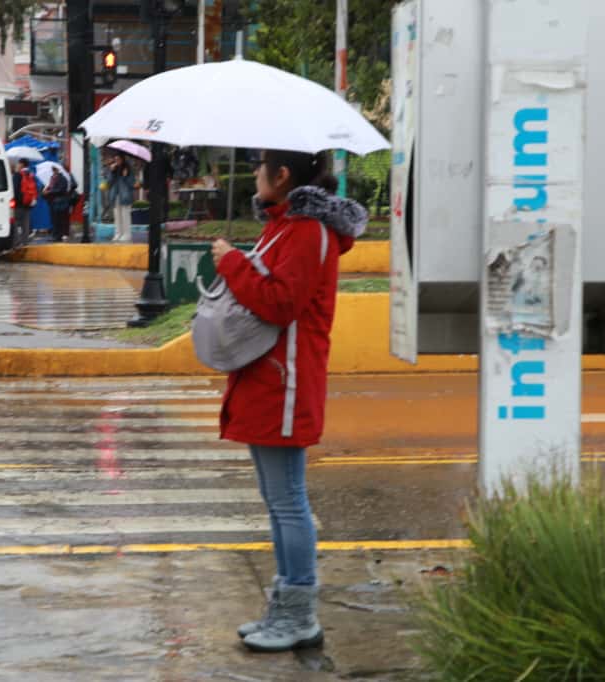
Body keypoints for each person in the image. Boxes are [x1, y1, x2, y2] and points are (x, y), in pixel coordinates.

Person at [210, 149, 367, 654]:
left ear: (281, 176)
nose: (254, 177)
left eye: (260, 169)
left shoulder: (305, 233)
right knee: (278, 500)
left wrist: (232, 263)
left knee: (288, 501)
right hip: (268, 378)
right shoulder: (284, 226)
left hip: (286, 382)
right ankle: (285, 606)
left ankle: (299, 615)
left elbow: (281, 302)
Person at [106, 155, 136, 242]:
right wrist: (111, 171)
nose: (116, 161)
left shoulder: (128, 169)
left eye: (118, 159)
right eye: (115, 159)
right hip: (115, 196)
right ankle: (118, 233)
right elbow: (109, 183)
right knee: (117, 216)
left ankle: (127, 234)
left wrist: (125, 176)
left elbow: (132, 184)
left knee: (125, 216)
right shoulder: (113, 170)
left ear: (122, 160)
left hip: (125, 196)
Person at [12, 159, 38, 245]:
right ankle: (25, 242)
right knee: (25, 225)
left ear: (22, 164)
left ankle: (16, 242)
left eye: (18, 163)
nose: (17, 165)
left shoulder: (17, 175)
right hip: (28, 204)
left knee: (15, 223)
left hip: (18, 204)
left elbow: (15, 189)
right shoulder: (30, 175)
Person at [43, 166, 72, 242]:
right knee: (54, 220)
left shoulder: (62, 179)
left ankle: (58, 236)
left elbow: (61, 190)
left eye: (54, 170)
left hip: (60, 202)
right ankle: (55, 235)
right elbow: (52, 188)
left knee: (59, 220)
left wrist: (49, 192)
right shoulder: (52, 178)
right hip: (53, 202)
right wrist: (46, 190)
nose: (53, 172)